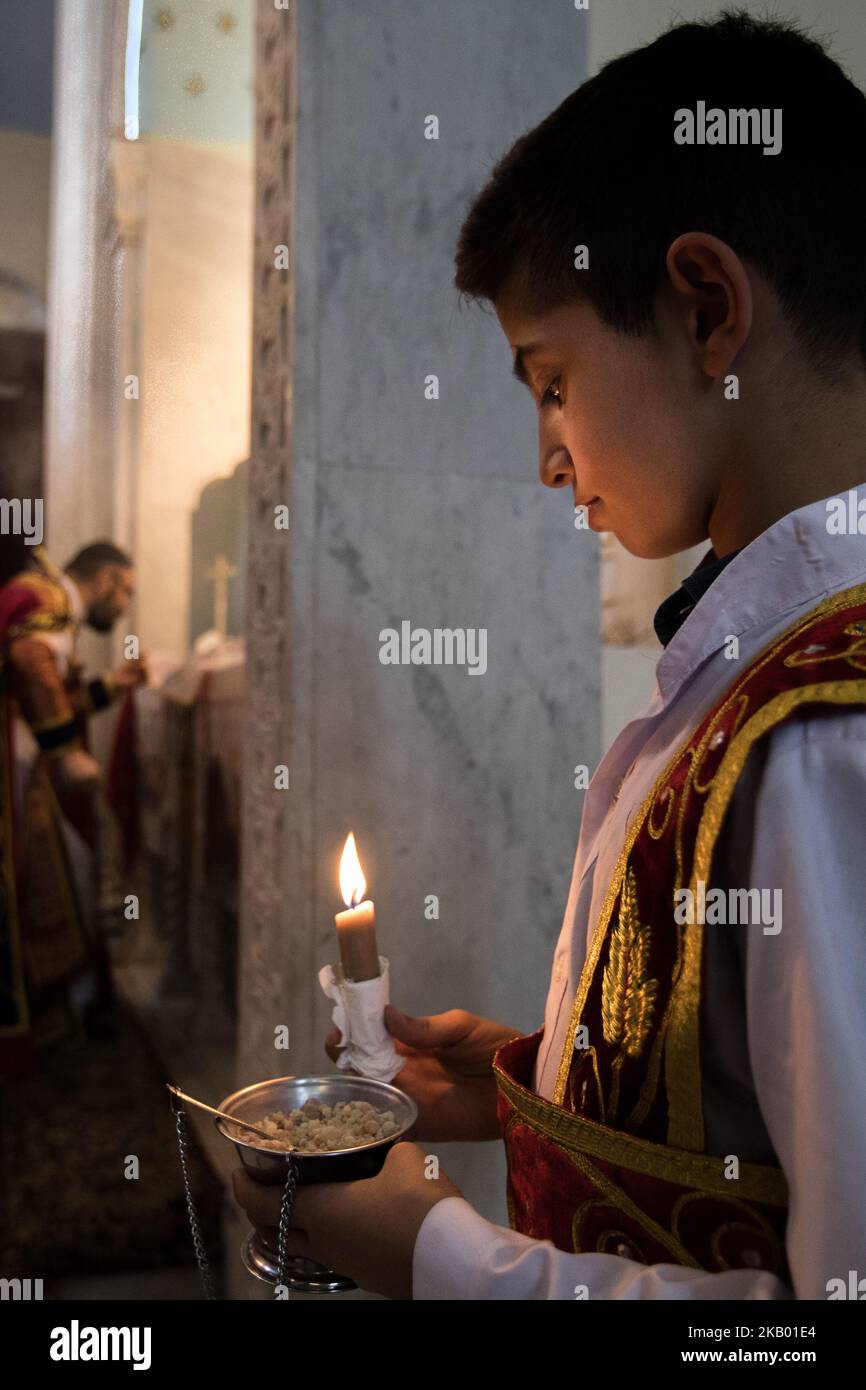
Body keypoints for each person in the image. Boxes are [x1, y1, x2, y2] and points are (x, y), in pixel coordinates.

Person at [233, 10, 866, 1298]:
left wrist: (436, 1254)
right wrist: (539, 1085)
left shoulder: (821, 738)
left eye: (549, 379)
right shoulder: (759, 676)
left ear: (704, 309)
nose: (546, 458)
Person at [0, 542, 146, 1076]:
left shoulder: (44, 600)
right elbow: (29, 663)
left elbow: (55, 691)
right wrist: (65, 754)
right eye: (126, 590)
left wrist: (113, 685)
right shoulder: (50, 601)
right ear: (106, 579)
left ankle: (53, 1016)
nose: (126, 605)